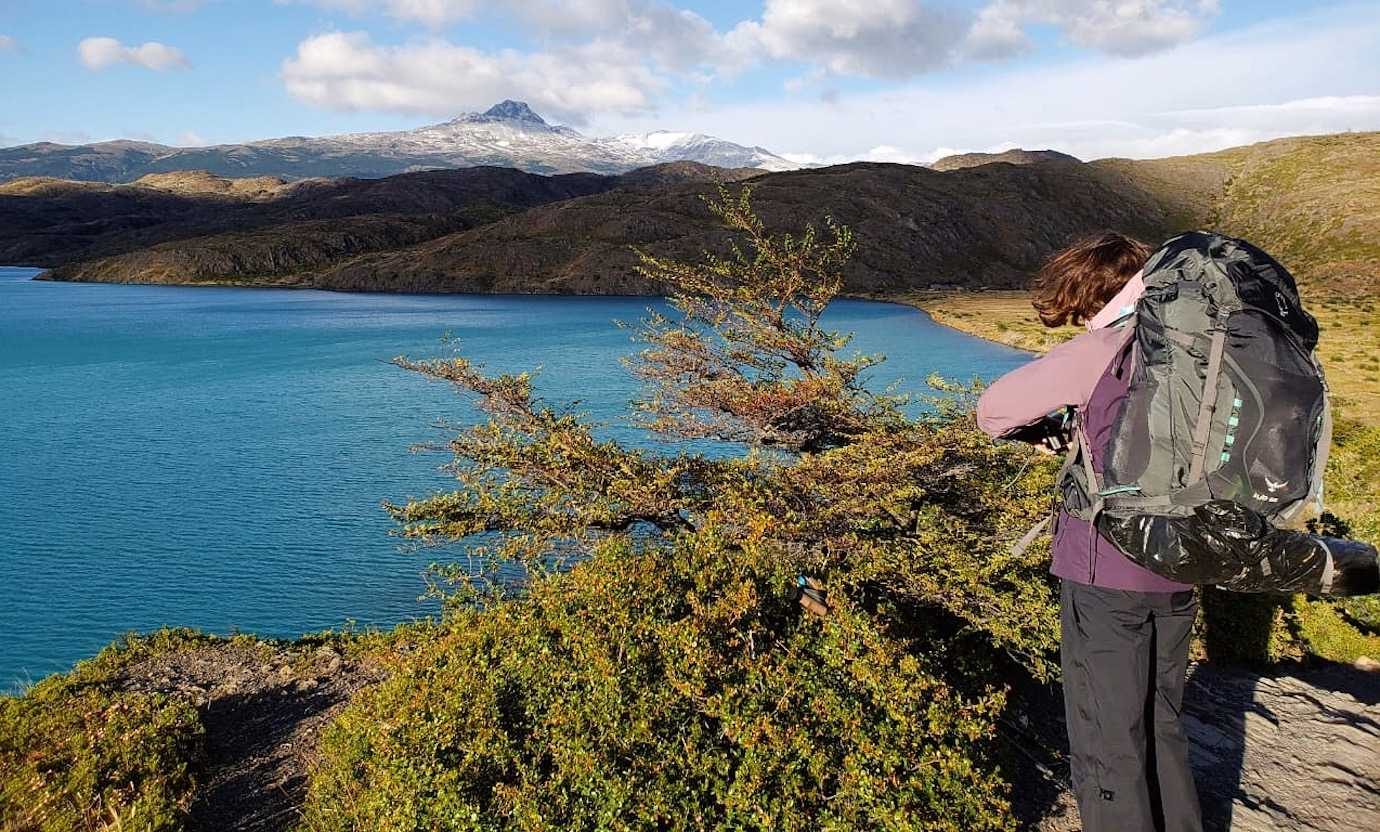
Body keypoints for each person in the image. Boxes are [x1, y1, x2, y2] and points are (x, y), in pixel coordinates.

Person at [976, 232, 1203, 832]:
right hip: (1183, 561)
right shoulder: (1193, 347)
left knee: (1109, 735)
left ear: (1088, 291)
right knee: (1162, 723)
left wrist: (1048, 428)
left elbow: (994, 408)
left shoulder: (1109, 345)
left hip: (1108, 568)